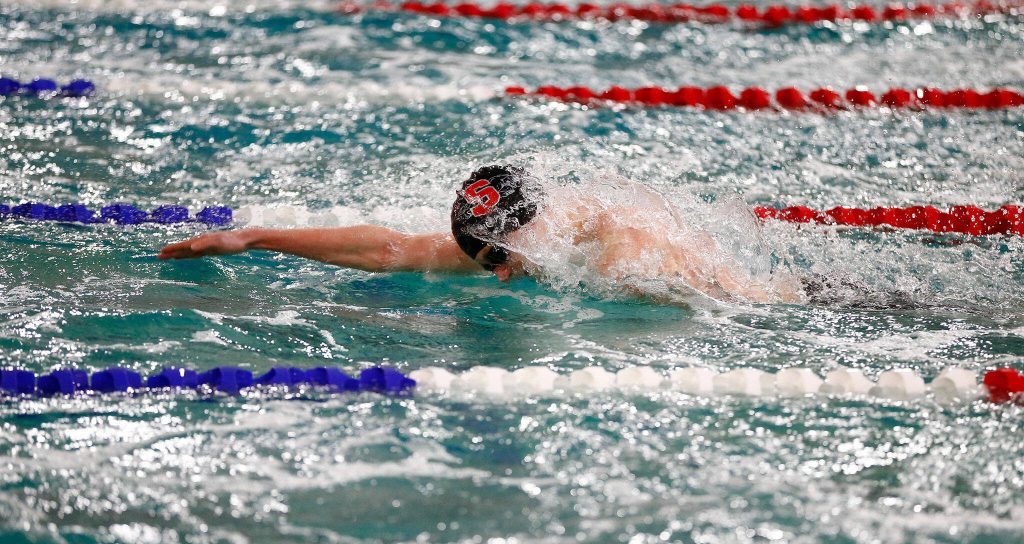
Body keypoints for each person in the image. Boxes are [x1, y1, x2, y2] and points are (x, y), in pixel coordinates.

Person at [157, 165, 809, 305]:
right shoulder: (540, 238)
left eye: (501, 261)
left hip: (811, 304)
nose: (498, 275)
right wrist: (259, 237)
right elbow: (392, 250)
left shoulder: (621, 255)